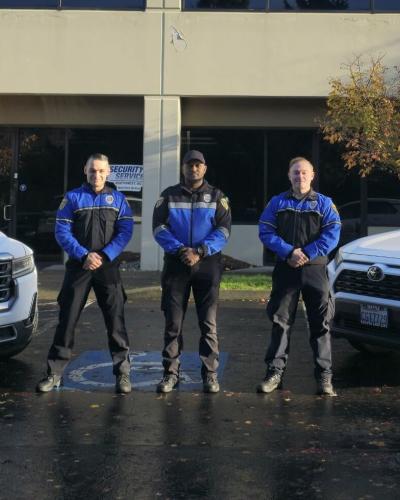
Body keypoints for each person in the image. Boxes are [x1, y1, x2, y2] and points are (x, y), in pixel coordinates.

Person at [37, 153, 134, 394]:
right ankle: (55, 373)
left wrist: (104, 254)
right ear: (85, 170)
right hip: (79, 267)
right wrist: (84, 255)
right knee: (67, 320)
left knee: (115, 322)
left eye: (101, 171)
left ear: (108, 172)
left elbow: (125, 231)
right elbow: (62, 232)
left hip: (108, 267)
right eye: (93, 170)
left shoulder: (118, 199)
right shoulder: (72, 198)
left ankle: (122, 373)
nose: (97, 175)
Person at [257, 157, 341, 396]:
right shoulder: (277, 202)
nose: (300, 177)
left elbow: (333, 234)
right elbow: (265, 230)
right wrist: (288, 252)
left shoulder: (324, 203)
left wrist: (306, 253)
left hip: (315, 270)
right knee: (280, 323)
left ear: (312, 175)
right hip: (286, 268)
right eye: (296, 173)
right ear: (289, 175)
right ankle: (274, 373)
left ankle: (324, 377)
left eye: (304, 173)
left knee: (321, 325)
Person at [152, 150, 231, 393]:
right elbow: (158, 228)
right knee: (173, 324)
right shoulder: (169, 196)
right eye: (189, 165)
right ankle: (170, 374)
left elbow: (224, 230)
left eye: (198, 165)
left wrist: (200, 250)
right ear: (183, 168)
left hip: (207, 266)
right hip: (176, 265)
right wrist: (181, 250)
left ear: (204, 168)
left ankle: (209, 374)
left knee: (208, 323)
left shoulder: (217, 196)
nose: (193, 169)